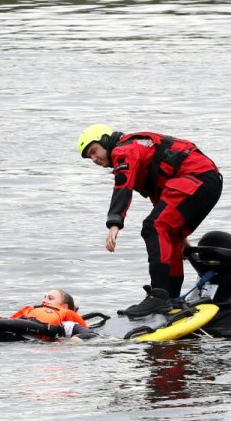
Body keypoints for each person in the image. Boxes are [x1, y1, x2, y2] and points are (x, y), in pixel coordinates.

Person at [77, 123, 222, 318]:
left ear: (105, 141)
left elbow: (122, 186)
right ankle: (170, 297)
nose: (94, 159)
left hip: (197, 178)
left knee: (153, 227)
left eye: (94, 151)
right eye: (89, 158)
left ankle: (159, 296)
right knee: (167, 234)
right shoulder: (135, 149)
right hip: (205, 181)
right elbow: (162, 193)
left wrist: (114, 223)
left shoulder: (123, 151)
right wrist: (180, 234)